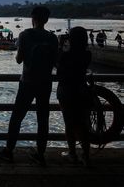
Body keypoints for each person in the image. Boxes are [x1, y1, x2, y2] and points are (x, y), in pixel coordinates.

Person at [0, 6, 58, 165]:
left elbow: (19, 59)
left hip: (28, 82)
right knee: (43, 119)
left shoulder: (25, 35)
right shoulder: (52, 38)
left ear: (33, 18)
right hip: (45, 83)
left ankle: (9, 151)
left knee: (17, 117)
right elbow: (55, 62)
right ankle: (40, 154)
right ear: (46, 19)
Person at [56, 26, 92, 167]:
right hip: (81, 90)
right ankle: (86, 156)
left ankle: (72, 154)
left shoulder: (65, 55)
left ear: (70, 39)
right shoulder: (87, 55)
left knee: (69, 123)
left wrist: (60, 45)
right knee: (83, 124)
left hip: (66, 91)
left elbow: (58, 69)